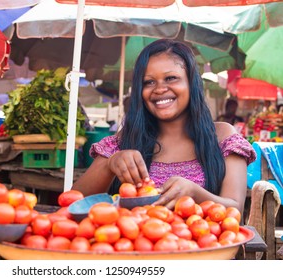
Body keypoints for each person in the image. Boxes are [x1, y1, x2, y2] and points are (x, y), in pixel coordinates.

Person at [72, 39, 256, 213]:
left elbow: (235, 210)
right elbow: (73, 203)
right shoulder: (125, 140)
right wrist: (109, 165)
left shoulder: (223, 137)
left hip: (205, 245)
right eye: (149, 82)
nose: (159, 89)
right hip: (136, 245)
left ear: (191, 84)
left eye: (171, 78)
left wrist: (195, 193)